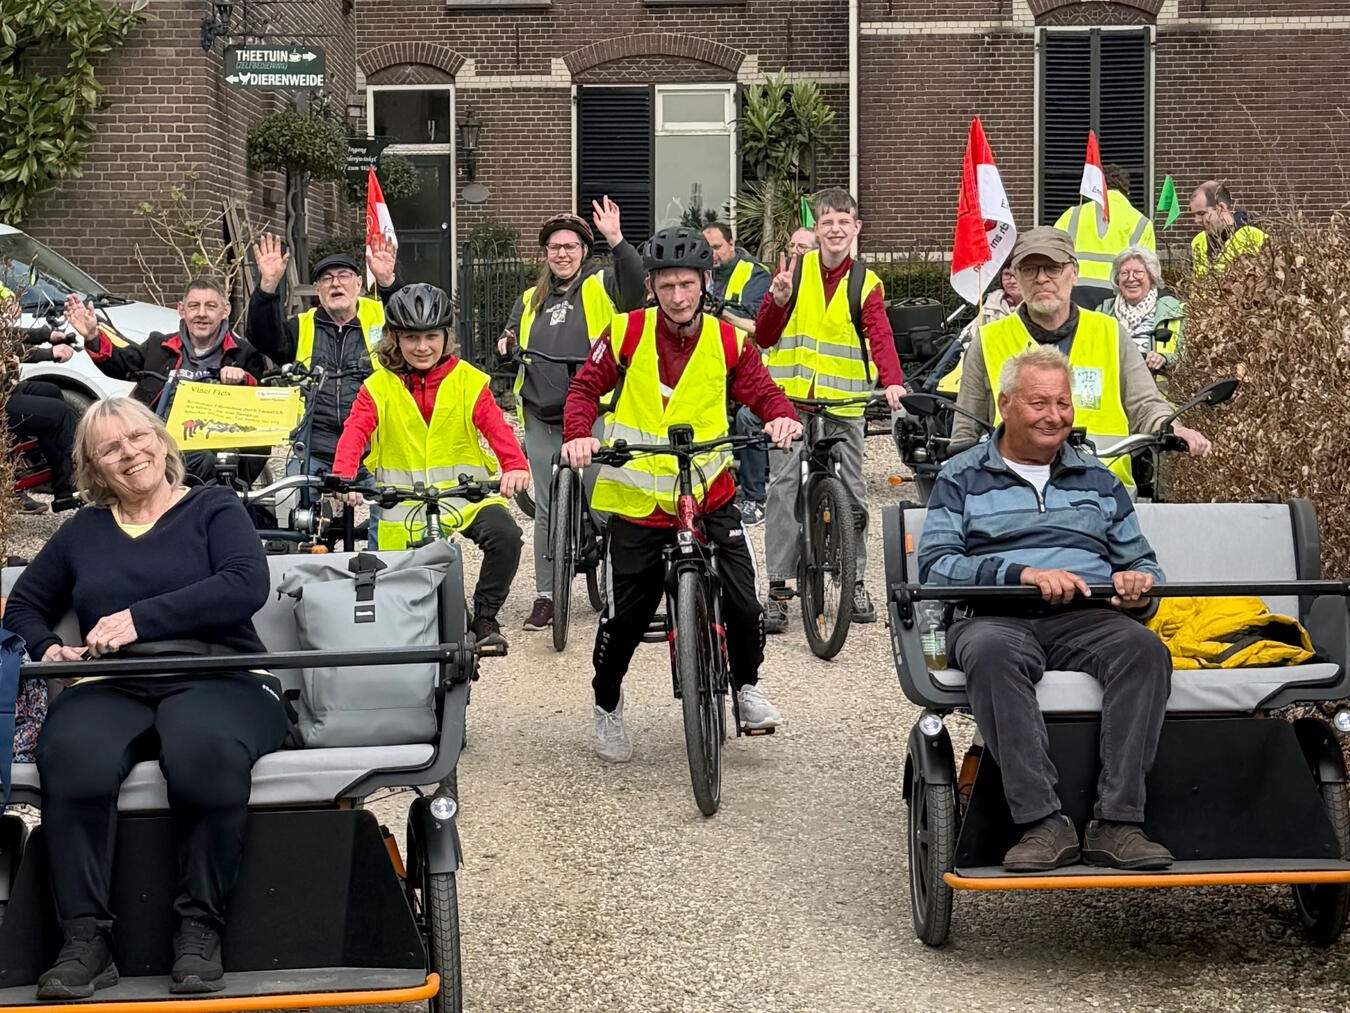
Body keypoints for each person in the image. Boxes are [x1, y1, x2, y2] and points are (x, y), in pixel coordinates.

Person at [4, 397, 290, 998]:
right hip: (114, 681)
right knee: (73, 752)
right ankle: (85, 940)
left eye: (138, 437)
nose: (130, 452)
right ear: (92, 467)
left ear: (162, 442)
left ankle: (199, 928)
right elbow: (28, 604)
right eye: (110, 448)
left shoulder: (214, 507)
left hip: (219, 674)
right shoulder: (82, 531)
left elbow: (245, 584)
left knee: (203, 749)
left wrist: (139, 618)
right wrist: (45, 647)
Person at [918, 346, 1174, 873]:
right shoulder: (960, 476)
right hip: (993, 616)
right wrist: (1020, 576)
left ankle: (1119, 823)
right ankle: (1041, 822)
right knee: (991, 654)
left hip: (1085, 615)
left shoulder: (1099, 479)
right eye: (1038, 403)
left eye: (1062, 403)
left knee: (1143, 650)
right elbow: (937, 568)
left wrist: (1139, 586)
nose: (1054, 416)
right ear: (1006, 405)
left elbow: (1145, 563)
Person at [560, 227, 803, 763]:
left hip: (709, 492)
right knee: (627, 615)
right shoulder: (624, 332)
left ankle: (745, 688)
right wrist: (579, 433)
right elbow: (583, 389)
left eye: (686, 284)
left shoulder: (728, 340)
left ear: (703, 282)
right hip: (641, 502)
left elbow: (762, 391)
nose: (677, 295)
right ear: (652, 286)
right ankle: (606, 705)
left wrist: (782, 419)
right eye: (666, 285)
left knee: (743, 598)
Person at [332, 283, 528, 648]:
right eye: (411, 338)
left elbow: (496, 426)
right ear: (395, 338)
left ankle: (485, 616)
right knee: (394, 591)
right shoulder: (378, 386)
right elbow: (354, 431)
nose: (422, 347)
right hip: (401, 503)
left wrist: (514, 464)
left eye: (431, 336)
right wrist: (345, 478)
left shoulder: (468, 380)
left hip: (464, 497)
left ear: (445, 336)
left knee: (506, 536)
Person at [952, 226, 1210, 491]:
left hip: (1105, 493)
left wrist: (1173, 428)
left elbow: (1145, 403)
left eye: (1052, 268)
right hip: (1015, 493)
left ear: (1073, 273)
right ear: (1016, 277)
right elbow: (965, 430)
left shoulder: (1110, 333)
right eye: (1030, 269)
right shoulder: (988, 340)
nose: (1041, 279)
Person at [754, 188, 906, 630]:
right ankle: (779, 586)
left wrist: (893, 383)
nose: (835, 229)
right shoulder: (792, 273)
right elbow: (764, 337)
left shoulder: (866, 282)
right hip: (790, 400)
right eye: (827, 223)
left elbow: (881, 336)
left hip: (844, 402)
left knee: (854, 490)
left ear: (856, 229)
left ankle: (854, 579)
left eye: (844, 221)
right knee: (782, 487)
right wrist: (777, 301)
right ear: (816, 230)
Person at [496, 199, 644, 633]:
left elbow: (635, 291)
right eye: (554, 247)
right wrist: (505, 346)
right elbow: (507, 338)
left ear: (584, 251)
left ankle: (620, 588)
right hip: (541, 412)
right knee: (545, 505)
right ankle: (545, 595)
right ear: (545, 254)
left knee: (605, 499)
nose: (562, 253)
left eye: (571, 246)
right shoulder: (529, 299)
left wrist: (617, 240)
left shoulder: (600, 285)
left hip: (594, 409)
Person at [247, 234, 402, 544]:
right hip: (314, 448)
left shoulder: (382, 319)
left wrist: (388, 282)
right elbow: (262, 337)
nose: (336, 284)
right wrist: (267, 286)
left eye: (344, 276)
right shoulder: (301, 326)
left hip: (375, 449)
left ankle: (381, 576)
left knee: (392, 518)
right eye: (327, 279)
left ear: (359, 283)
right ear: (317, 290)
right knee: (293, 518)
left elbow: (409, 321)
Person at [66, 278, 273, 496]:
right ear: (181, 310)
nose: (201, 314)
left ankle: (223, 503)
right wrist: (92, 335)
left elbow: (259, 403)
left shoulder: (243, 353)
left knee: (230, 455)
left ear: (225, 311)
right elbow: (121, 364)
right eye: (194, 306)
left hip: (216, 435)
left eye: (210, 306)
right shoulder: (159, 346)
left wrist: (242, 380)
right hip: (160, 434)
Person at [1053, 163, 1155, 299]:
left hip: (1075, 291)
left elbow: (1052, 251)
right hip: (1115, 293)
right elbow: (1148, 269)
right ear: (1127, 191)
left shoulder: (1072, 214)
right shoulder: (1141, 222)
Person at [1095, 246, 1183, 378]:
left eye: (1138, 272)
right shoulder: (1103, 312)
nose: (1131, 278)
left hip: (1157, 391)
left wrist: (1165, 358)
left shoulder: (1173, 311)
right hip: (1112, 386)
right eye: (1124, 273)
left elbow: (1187, 353)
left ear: (1151, 277)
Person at [701, 222, 771, 336]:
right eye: (706, 248)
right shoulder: (698, 273)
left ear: (731, 244)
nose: (711, 254)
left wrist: (719, 311)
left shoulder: (756, 274)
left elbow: (758, 323)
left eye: (716, 247)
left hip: (739, 348)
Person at [1188, 180, 1268, 275]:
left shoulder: (1252, 236)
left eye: (1201, 213)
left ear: (1221, 207)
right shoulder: (1198, 241)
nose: (1196, 220)